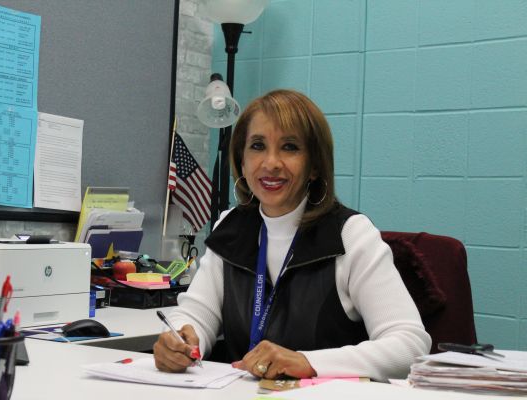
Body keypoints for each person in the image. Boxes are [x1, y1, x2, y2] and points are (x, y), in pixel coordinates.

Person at [153, 89, 431, 382]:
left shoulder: (350, 235)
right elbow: (196, 314)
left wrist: (308, 362)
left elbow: (410, 346)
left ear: (313, 166)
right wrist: (180, 339)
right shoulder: (230, 228)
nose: (271, 163)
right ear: (242, 161)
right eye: (258, 146)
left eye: (289, 147)